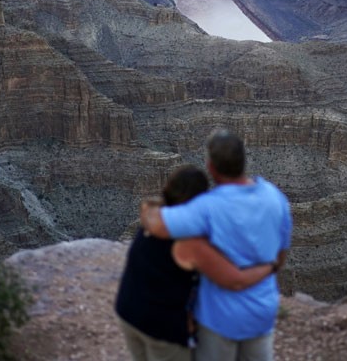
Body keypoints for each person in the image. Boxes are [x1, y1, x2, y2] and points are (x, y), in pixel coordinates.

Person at [141, 129, 292, 361]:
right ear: (244, 160)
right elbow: (281, 256)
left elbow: (157, 226)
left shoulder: (207, 208)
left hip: (220, 319)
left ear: (211, 167)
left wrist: (148, 207)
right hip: (262, 313)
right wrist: (266, 268)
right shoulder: (276, 197)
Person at [116, 164, 275, 361]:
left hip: (128, 312)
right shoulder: (189, 241)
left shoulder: (154, 216)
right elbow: (236, 280)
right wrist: (269, 267)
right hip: (160, 327)